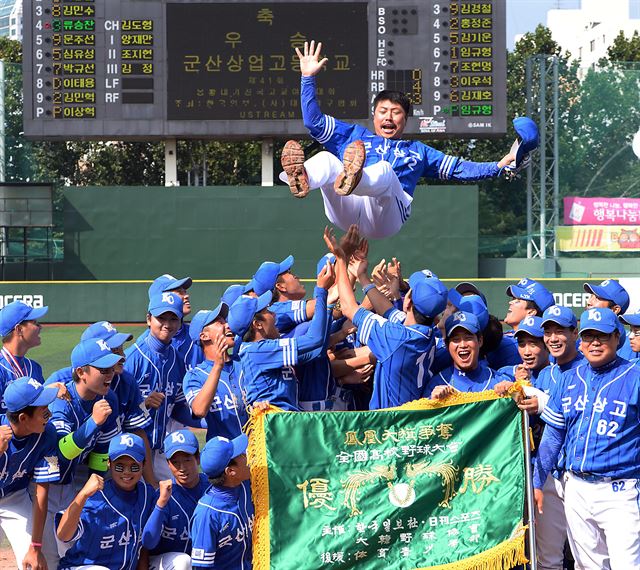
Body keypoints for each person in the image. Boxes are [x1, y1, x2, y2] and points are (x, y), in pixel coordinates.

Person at [279, 40, 537, 238]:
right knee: (325, 159)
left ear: (405, 118)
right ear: (374, 115)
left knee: (385, 171)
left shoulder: (418, 151)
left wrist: (500, 165)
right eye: (383, 111)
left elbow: (460, 169)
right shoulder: (354, 135)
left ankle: (354, 178)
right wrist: (307, 78)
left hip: (386, 217)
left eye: (396, 112)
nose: (388, 117)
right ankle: (302, 179)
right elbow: (313, 122)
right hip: (346, 209)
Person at [534, 307, 640, 569]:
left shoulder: (635, 377)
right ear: (580, 340)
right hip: (577, 488)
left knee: (627, 565)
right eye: (588, 336)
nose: (594, 343)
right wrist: (537, 482)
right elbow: (553, 436)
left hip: (620, 490)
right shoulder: (569, 378)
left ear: (617, 337)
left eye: (601, 336)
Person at [324, 225, 444, 408]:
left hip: (392, 424)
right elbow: (387, 310)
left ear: (408, 301)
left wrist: (341, 259)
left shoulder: (396, 337)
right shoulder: (424, 332)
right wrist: (363, 277)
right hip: (410, 418)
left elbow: (349, 307)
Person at [44, 338, 124, 567]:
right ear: (82, 372)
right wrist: (92, 423)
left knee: (72, 551)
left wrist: (95, 487)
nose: (110, 375)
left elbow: (101, 450)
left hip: (70, 485)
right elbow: (61, 453)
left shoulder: (108, 398)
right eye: (103, 370)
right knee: (47, 558)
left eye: (111, 368)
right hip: (41, 487)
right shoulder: (60, 402)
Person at [228, 260, 334, 412]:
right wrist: (322, 292)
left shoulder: (260, 349)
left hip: (285, 423)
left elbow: (314, 351)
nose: (273, 314)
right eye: (267, 312)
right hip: (275, 428)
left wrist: (329, 311)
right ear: (257, 324)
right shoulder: (256, 351)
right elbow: (314, 340)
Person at [56, 433, 156, 570]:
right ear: (109, 463)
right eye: (120, 466)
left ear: (144, 464)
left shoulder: (146, 494)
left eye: (134, 467)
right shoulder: (96, 497)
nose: (126, 472)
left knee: (181, 561)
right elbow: (63, 535)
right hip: (81, 567)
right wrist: (83, 494)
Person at [124, 293, 197, 480]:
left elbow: (179, 408)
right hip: (129, 452)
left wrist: (210, 419)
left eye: (173, 318)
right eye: (161, 318)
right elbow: (118, 414)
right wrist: (144, 405)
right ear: (149, 319)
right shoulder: (132, 360)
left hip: (160, 450)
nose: (168, 323)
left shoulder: (176, 359)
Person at [0, 376, 60, 570]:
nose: (49, 415)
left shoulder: (48, 435)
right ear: (23, 418)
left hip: (13, 498)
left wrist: (35, 546)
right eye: (44, 412)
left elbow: (42, 493)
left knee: (41, 562)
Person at [142, 430, 210, 570]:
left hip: (199, 560)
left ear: (198, 458)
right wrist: (161, 504)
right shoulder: (163, 494)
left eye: (187, 460)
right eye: (175, 462)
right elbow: (148, 543)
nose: (182, 468)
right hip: (162, 563)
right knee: (183, 562)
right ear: (168, 464)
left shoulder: (210, 488)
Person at [184, 304, 248, 440]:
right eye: (220, 322)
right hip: (226, 456)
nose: (228, 325)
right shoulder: (195, 376)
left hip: (258, 453)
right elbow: (199, 410)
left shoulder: (245, 363)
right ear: (204, 336)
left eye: (226, 321)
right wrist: (218, 365)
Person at [190, 434, 254, 569]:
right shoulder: (206, 515)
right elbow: (202, 567)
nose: (246, 455)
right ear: (231, 471)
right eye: (241, 455)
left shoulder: (246, 486)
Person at [427, 311, 500, 399]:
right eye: (456, 339)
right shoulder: (436, 385)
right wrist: (432, 402)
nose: (462, 345)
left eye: (468, 338)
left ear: (480, 341)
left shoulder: (498, 381)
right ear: (447, 345)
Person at [0, 300, 48, 411]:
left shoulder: (34, 367)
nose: (40, 327)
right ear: (19, 329)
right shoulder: (1, 369)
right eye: (35, 322)